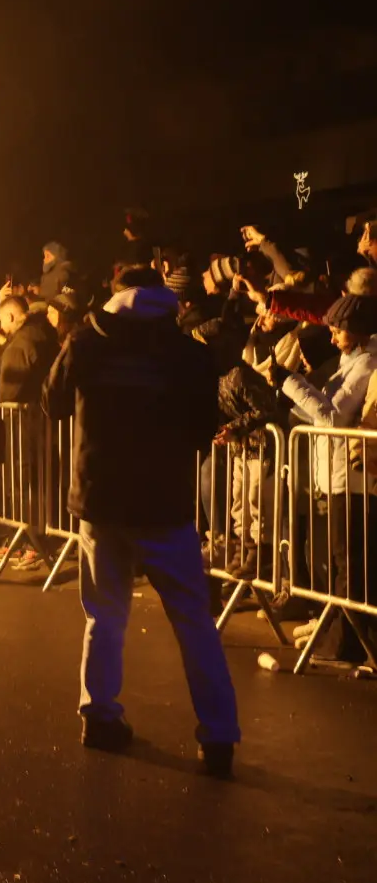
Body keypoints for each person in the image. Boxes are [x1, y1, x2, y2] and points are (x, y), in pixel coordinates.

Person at [42, 266, 241, 777]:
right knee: (194, 622)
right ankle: (218, 737)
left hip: (100, 502)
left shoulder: (90, 342)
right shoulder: (187, 353)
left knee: (104, 615)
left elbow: (53, 402)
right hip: (163, 504)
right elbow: (203, 427)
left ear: (114, 297)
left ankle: (99, 716)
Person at [266, 293, 377, 668]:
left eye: (336, 330)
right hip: (332, 474)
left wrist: (290, 381)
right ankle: (337, 634)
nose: (331, 337)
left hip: (352, 478)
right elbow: (317, 412)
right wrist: (286, 389)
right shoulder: (348, 361)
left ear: (355, 330)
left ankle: (347, 642)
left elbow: (331, 418)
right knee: (339, 560)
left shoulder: (366, 365)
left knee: (350, 564)